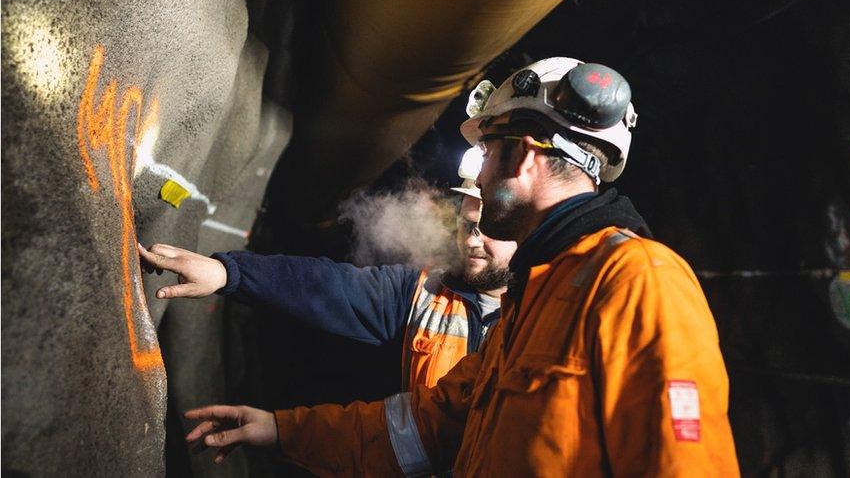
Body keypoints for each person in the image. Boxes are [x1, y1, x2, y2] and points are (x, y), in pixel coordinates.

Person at [183, 57, 740, 476]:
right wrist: (280, 429)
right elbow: (422, 430)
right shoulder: (534, 301)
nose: (480, 182)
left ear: (521, 156)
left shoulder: (636, 280)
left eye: (491, 153)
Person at [139, 155, 517, 392]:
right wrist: (227, 273)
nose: (472, 241)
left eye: (491, 229)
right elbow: (324, 286)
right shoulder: (423, 295)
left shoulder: (550, 320)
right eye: (469, 225)